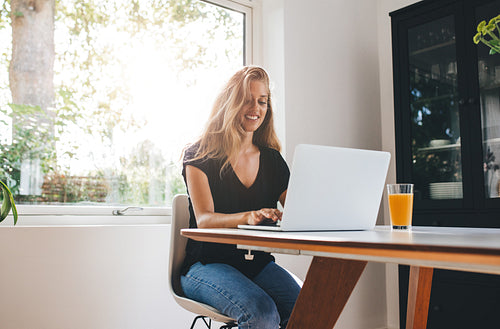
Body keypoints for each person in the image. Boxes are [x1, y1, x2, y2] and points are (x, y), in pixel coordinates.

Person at [180, 66, 301, 329]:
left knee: (309, 308)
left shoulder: (272, 160)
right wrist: (250, 216)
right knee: (262, 313)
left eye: (262, 101)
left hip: (256, 263)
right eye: (246, 99)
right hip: (205, 264)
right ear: (229, 102)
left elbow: (299, 210)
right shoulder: (199, 154)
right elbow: (204, 219)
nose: (255, 108)